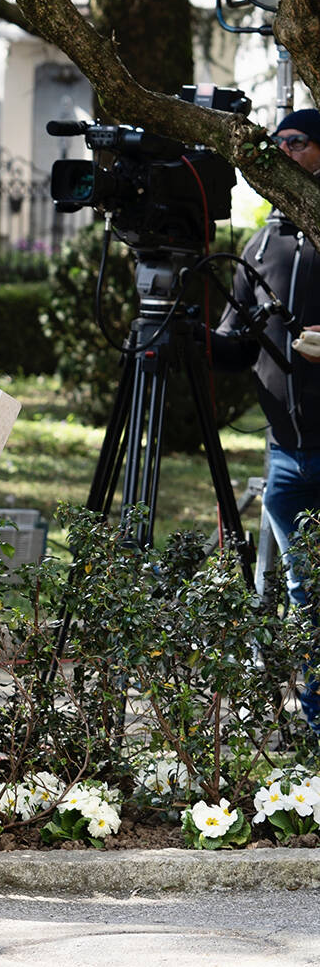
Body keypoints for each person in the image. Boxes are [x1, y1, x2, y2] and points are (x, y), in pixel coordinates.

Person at [213, 105, 320, 736]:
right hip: (284, 453)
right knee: (298, 595)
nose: (282, 152)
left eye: (298, 142)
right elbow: (233, 342)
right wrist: (193, 339)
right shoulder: (262, 241)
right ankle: (310, 727)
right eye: (275, 143)